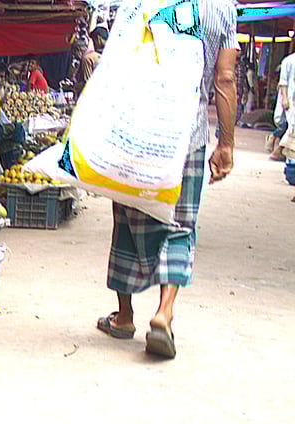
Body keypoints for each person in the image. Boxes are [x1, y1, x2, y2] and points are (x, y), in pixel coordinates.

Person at [95, 0, 238, 359]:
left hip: (135, 128)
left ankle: (124, 316)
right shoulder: (222, 8)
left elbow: (116, 60)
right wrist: (226, 143)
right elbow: (225, 78)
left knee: (126, 218)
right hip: (186, 136)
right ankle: (164, 313)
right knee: (179, 225)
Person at [74, 26, 108, 97]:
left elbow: (87, 85)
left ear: (98, 39)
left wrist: (76, 86)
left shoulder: (89, 58)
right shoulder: (115, 56)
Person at [277, 49, 295, 162]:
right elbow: (283, 82)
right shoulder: (288, 61)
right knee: (292, 127)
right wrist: (284, 98)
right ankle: (283, 152)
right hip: (291, 99)